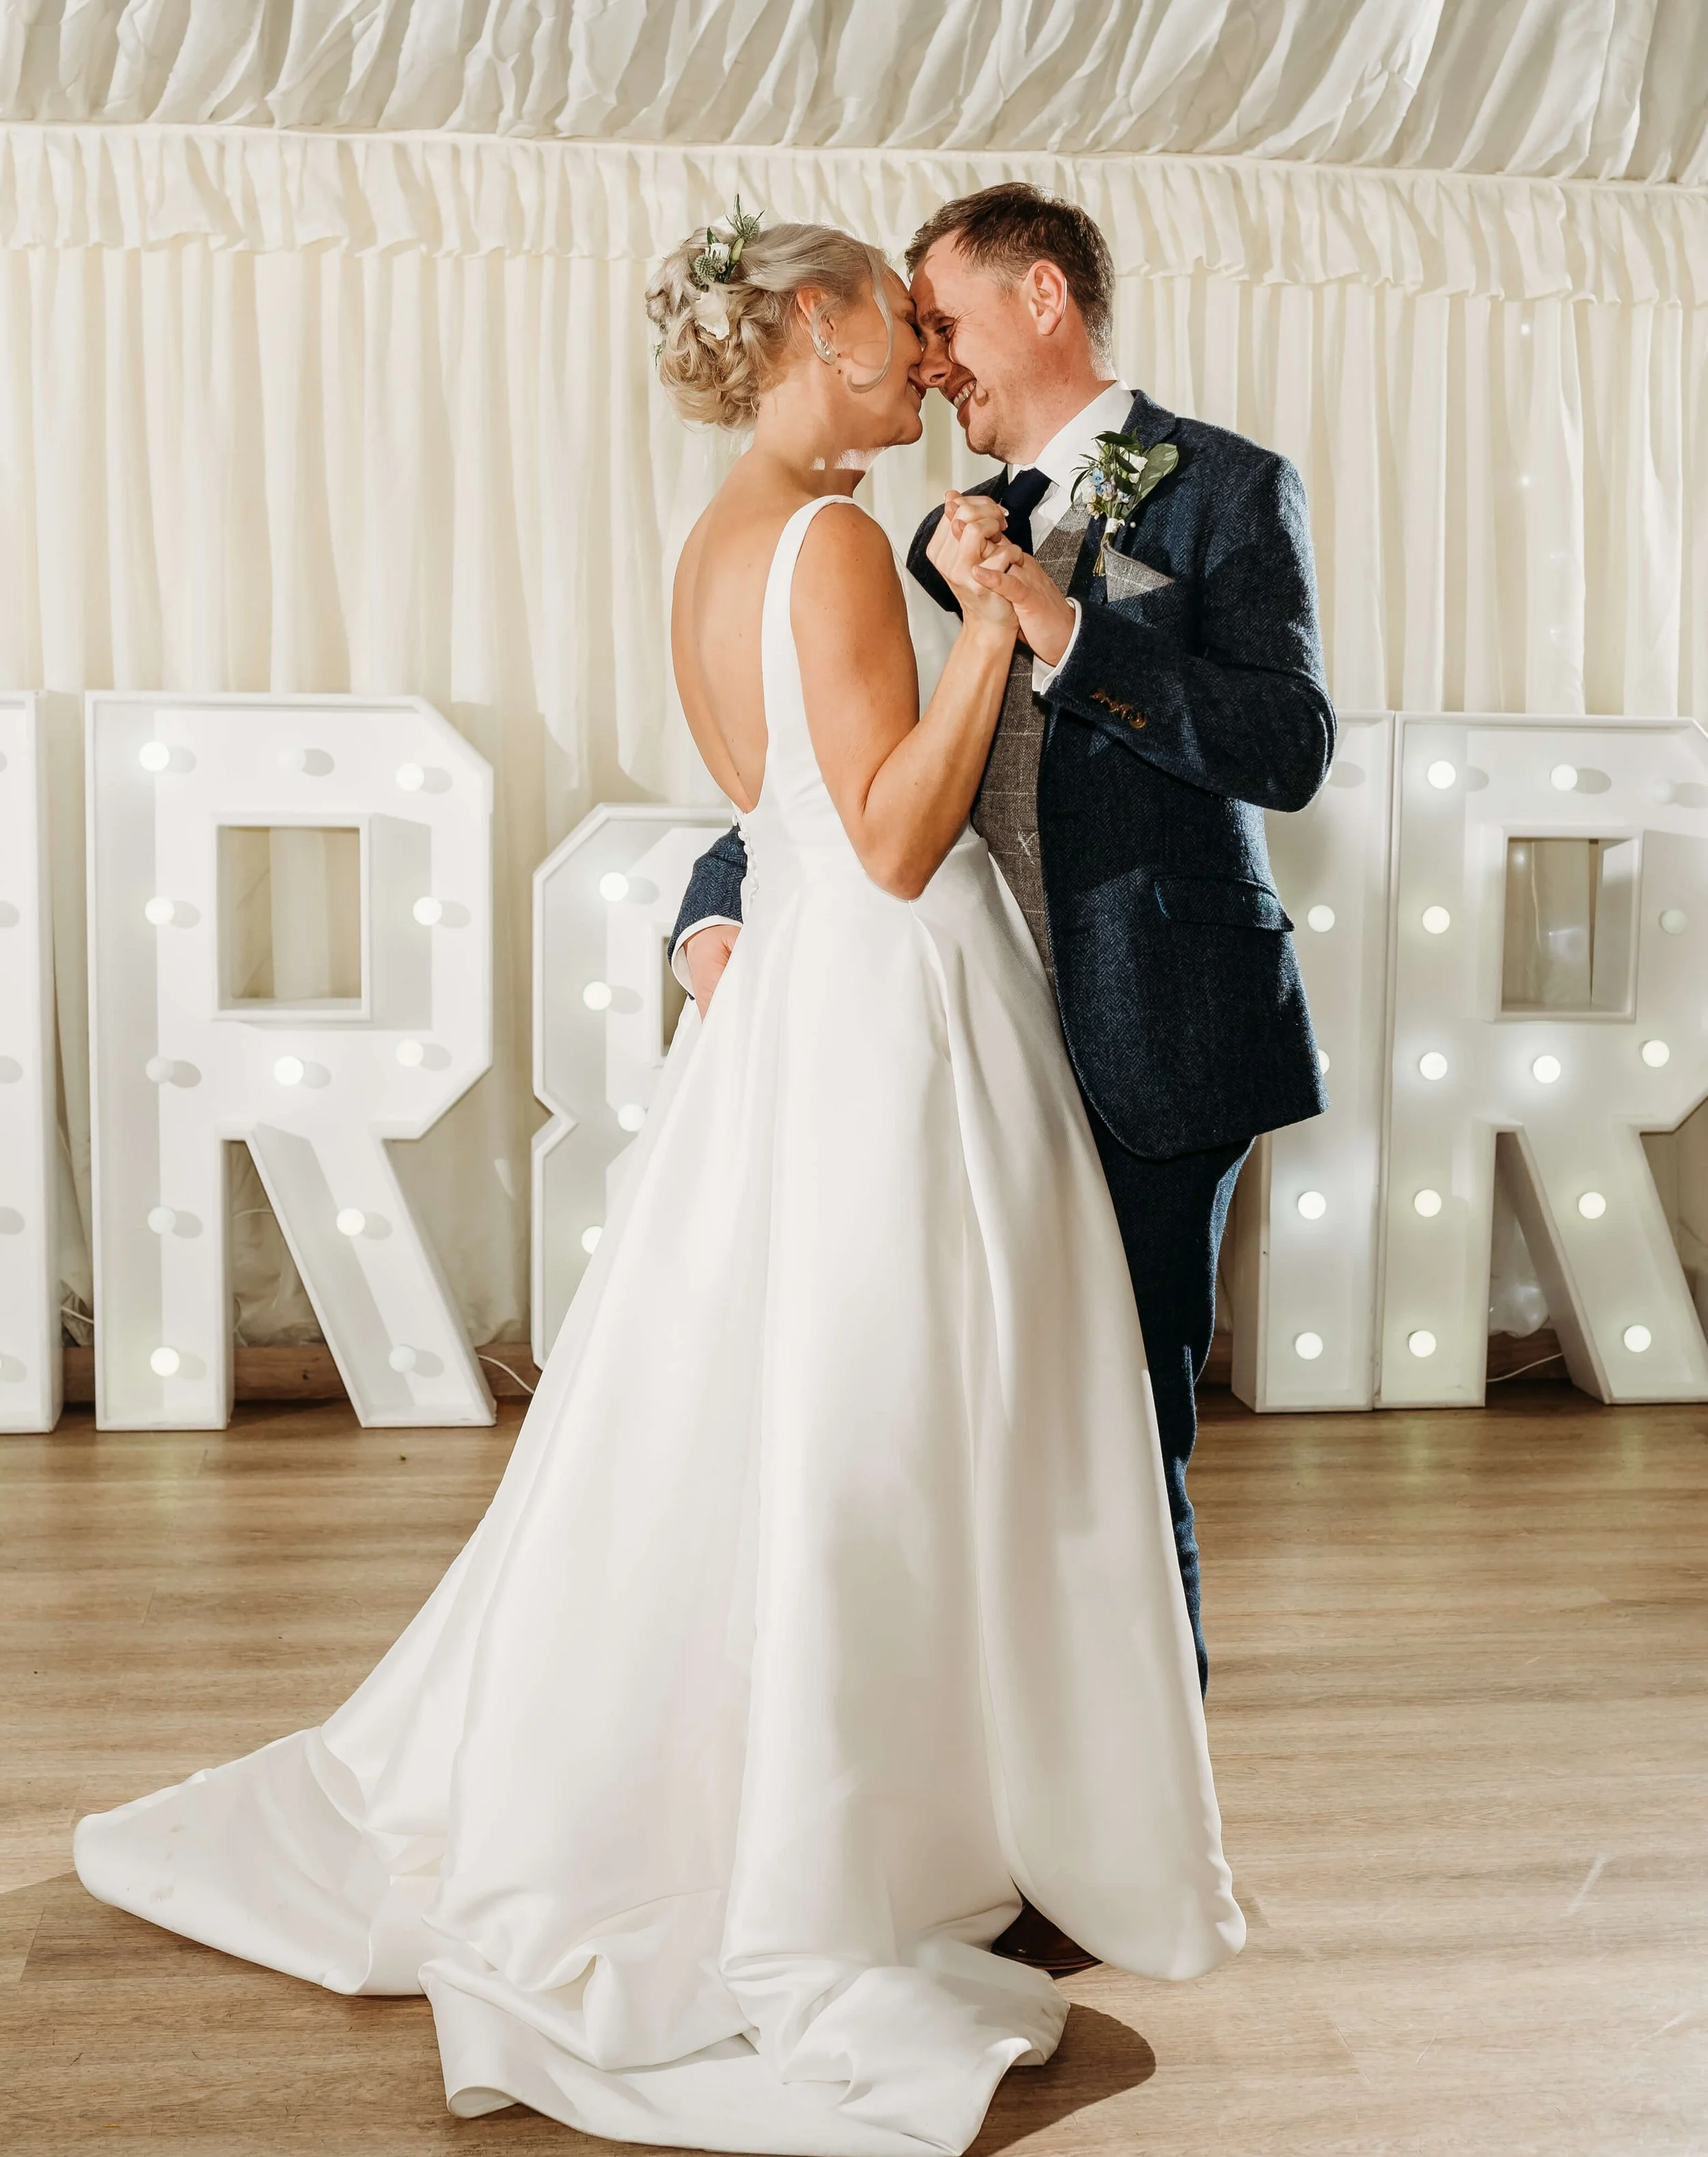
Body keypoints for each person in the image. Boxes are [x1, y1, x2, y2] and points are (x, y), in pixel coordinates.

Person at [72, 211, 1241, 2157]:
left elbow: (773, 817)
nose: (918, 356)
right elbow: (881, 842)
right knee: (887, 1420)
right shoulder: (844, 543)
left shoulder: (715, 539)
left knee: (791, 1413)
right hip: (890, 1002)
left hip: (797, 1005)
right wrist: (1000, 638)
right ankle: (861, 1828)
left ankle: (873, 1783)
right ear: (809, 323)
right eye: (892, 318)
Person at [674, 182, 1334, 1709]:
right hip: (957, 1053)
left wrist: (1063, 625)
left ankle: (1145, 1801)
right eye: (908, 334)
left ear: (1043, 298)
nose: (932, 361)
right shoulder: (917, 536)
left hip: (1153, 1029)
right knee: (975, 1439)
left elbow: (1287, 745)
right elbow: (850, 771)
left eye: (946, 323)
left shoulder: (1226, 489)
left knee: (1119, 1434)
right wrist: (716, 903)